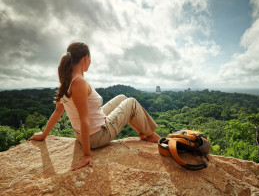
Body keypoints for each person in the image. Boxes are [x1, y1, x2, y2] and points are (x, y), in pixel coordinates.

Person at [27, 42, 161, 171]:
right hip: (96, 137)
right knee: (131, 102)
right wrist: (86, 155)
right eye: (90, 59)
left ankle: (144, 132)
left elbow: (58, 111)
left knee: (122, 98)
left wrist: (44, 135)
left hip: (85, 133)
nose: (90, 62)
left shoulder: (67, 80)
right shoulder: (78, 82)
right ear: (86, 58)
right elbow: (84, 120)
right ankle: (151, 134)